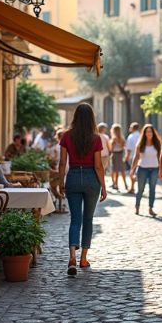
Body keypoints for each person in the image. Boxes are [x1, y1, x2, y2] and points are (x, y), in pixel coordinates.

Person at [57, 103, 107, 276]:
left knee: (75, 219)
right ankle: (83, 258)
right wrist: (104, 186)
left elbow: (62, 162)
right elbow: (98, 165)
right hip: (91, 178)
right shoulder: (96, 138)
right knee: (88, 219)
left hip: (73, 177)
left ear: (75, 117)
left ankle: (72, 257)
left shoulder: (66, 136)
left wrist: (60, 181)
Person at [130, 124, 161, 217]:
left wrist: (161, 169)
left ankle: (151, 208)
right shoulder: (140, 144)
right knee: (140, 189)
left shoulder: (157, 144)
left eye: (150, 131)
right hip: (142, 168)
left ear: (153, 133)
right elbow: (136, 157)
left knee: (152, 189)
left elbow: (160, 157)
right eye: (147, 131)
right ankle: (137, 206)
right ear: (144, 133)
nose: (149, 133)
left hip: (154, 168)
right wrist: (132, 169)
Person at [110, 124, 128, 191]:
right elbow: (123, 147)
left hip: (115, 154)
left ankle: (116, 184)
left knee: (115, 170)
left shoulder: (114, 139)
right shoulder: (122, 139)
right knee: (122, 170)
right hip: (121, 154)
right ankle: (125, 184)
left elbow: (111, 149)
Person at [125, 122, 141, 194]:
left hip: (132, 157)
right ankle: (138, 187)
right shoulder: (140, 135)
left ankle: (132, 187)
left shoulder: (131, 136)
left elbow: (129, 149)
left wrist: (127, 157)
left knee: (132, 172)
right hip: (141, 157)